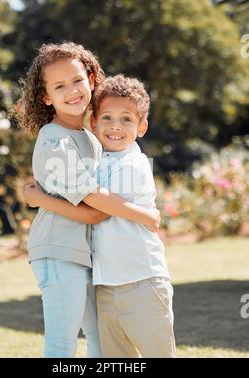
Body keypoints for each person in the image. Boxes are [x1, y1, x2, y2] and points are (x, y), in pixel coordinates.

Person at [19, 42, 161, 358]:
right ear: (45, 96)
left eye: (77, 80)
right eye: (59, 86)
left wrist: (39, 198)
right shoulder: (54, 139)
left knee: (103, 341)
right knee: (62, 343)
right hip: (57, 251)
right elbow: (95, 209)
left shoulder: (89, 137)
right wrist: (145, 216)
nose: (72, 91)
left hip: (85, 255)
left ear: (92, 78)